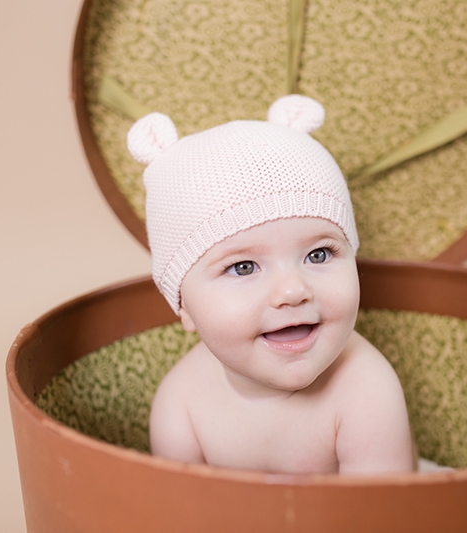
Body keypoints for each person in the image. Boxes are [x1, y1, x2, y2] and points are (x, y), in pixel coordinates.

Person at [127, 95, 414, 474]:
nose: (293, 290)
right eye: (244, 267)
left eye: (318, 255)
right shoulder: (181, 400)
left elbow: (383, 521)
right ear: (183, 306)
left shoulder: (366, 390)